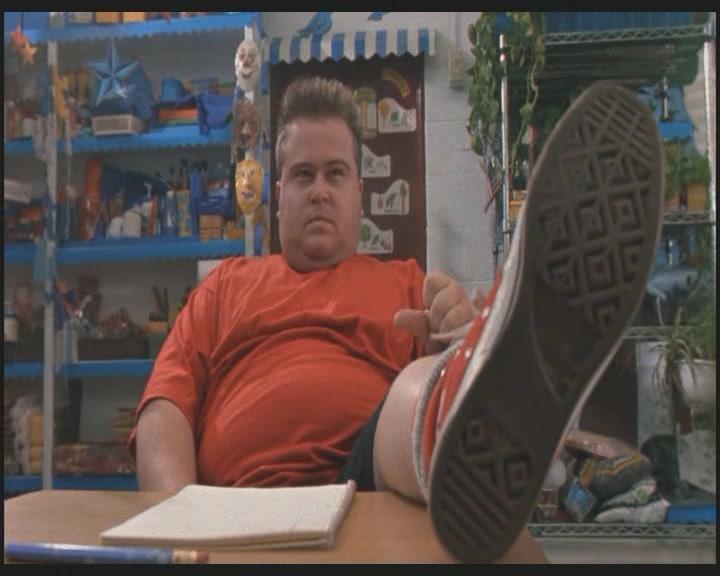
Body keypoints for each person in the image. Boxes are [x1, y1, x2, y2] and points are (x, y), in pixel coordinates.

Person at [132, 77, 663, 563]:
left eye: (336, 173)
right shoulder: (225, 286)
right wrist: (181, 527)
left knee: (416, 382)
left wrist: (451, 341)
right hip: (233, 508)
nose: (320, 190)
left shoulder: (406, 284)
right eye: (303, 175)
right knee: (423, 384)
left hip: (366, 490)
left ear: (359, 195)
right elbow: (164, 408)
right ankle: (488, 376)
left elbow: (412, 391)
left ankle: (480, 383)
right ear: (278, 197)